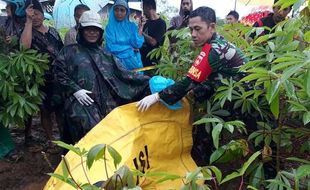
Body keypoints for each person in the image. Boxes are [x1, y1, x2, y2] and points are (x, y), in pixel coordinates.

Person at [53, 10, 150, 143]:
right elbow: (58, 72)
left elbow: (124, 74)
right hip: (81, 104)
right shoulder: (69, 52)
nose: (92, 33)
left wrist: (150, 82)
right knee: (87, 136)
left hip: (106, 102)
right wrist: (75, 90)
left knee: (111, 135)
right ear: (81, 30)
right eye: (88, 29)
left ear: (100, 33)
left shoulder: (106, 54)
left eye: (96, 30)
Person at [137, 6, 247, 112]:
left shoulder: (215, 49)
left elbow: (190, 80)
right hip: (234, 89)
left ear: (212, 27)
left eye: (198, 29)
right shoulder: (214, 43)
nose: (193, 34)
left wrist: (157, 96)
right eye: (191, 29)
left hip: (243, 96)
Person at [20, 0, 64, 145]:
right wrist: (28, 21)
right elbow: (24, 48)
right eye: (33, 15)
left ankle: (63, 138)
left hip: (58, 77)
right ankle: (51, 139)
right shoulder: (27, 32)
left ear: (43, 14)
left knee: (60, 109)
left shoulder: (53, 32)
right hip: (39, 79)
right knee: (45, 111)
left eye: (37, 13)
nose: (36, 17)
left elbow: (63, 52)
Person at [105, 0, 144, 71]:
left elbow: (137, 44)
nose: (119, 13)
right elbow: (111, 47)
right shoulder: (109, 27)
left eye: (122, 10)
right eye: (116, 10)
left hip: (133, 62)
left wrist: (141, 27)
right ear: (113, 11)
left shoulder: (132, 26)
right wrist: (130, 49)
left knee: (136, 81)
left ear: (126, 12)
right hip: (115, 63)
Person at [140, 0, 166, 68]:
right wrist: (140, 26)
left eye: (143, 8)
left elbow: (153, 42)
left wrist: (141, 32)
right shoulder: (146, 23)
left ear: (149, 7)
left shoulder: (161, 23)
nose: (143, 12)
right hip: (142, 60)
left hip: (153, 63)